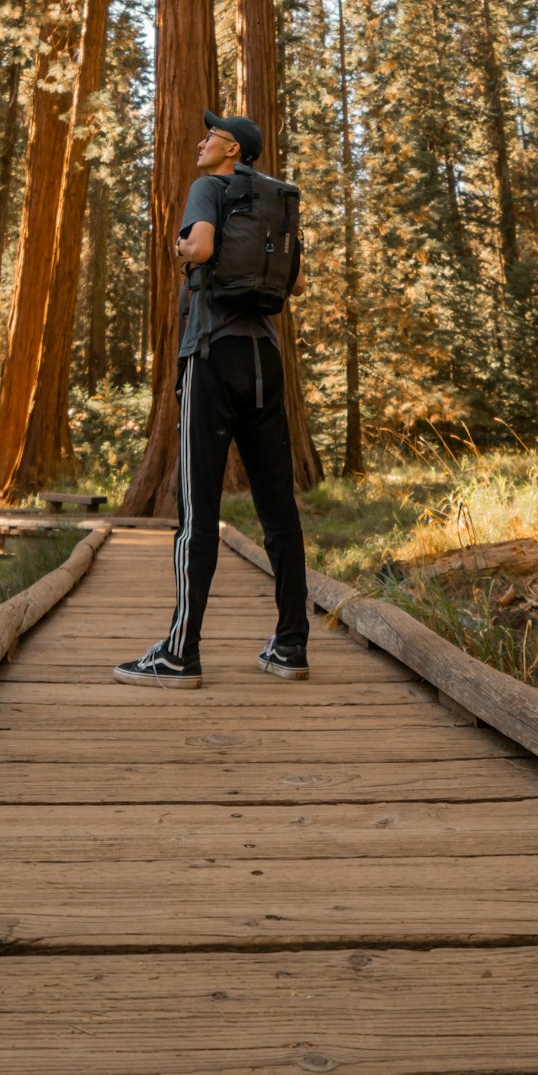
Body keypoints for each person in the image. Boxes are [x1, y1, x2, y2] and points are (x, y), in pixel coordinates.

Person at [114, 111, 309, 689]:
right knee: (280, 509)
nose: (200, 142)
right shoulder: (276, 199)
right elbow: (295, 283)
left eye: (210, 136)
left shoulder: (210, 187)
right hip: (265, 361)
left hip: (211, 353)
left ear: (231, 150)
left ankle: (180, 653)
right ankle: (291, 646)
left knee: (198, 508)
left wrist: (182, 249)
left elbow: (198, 247)